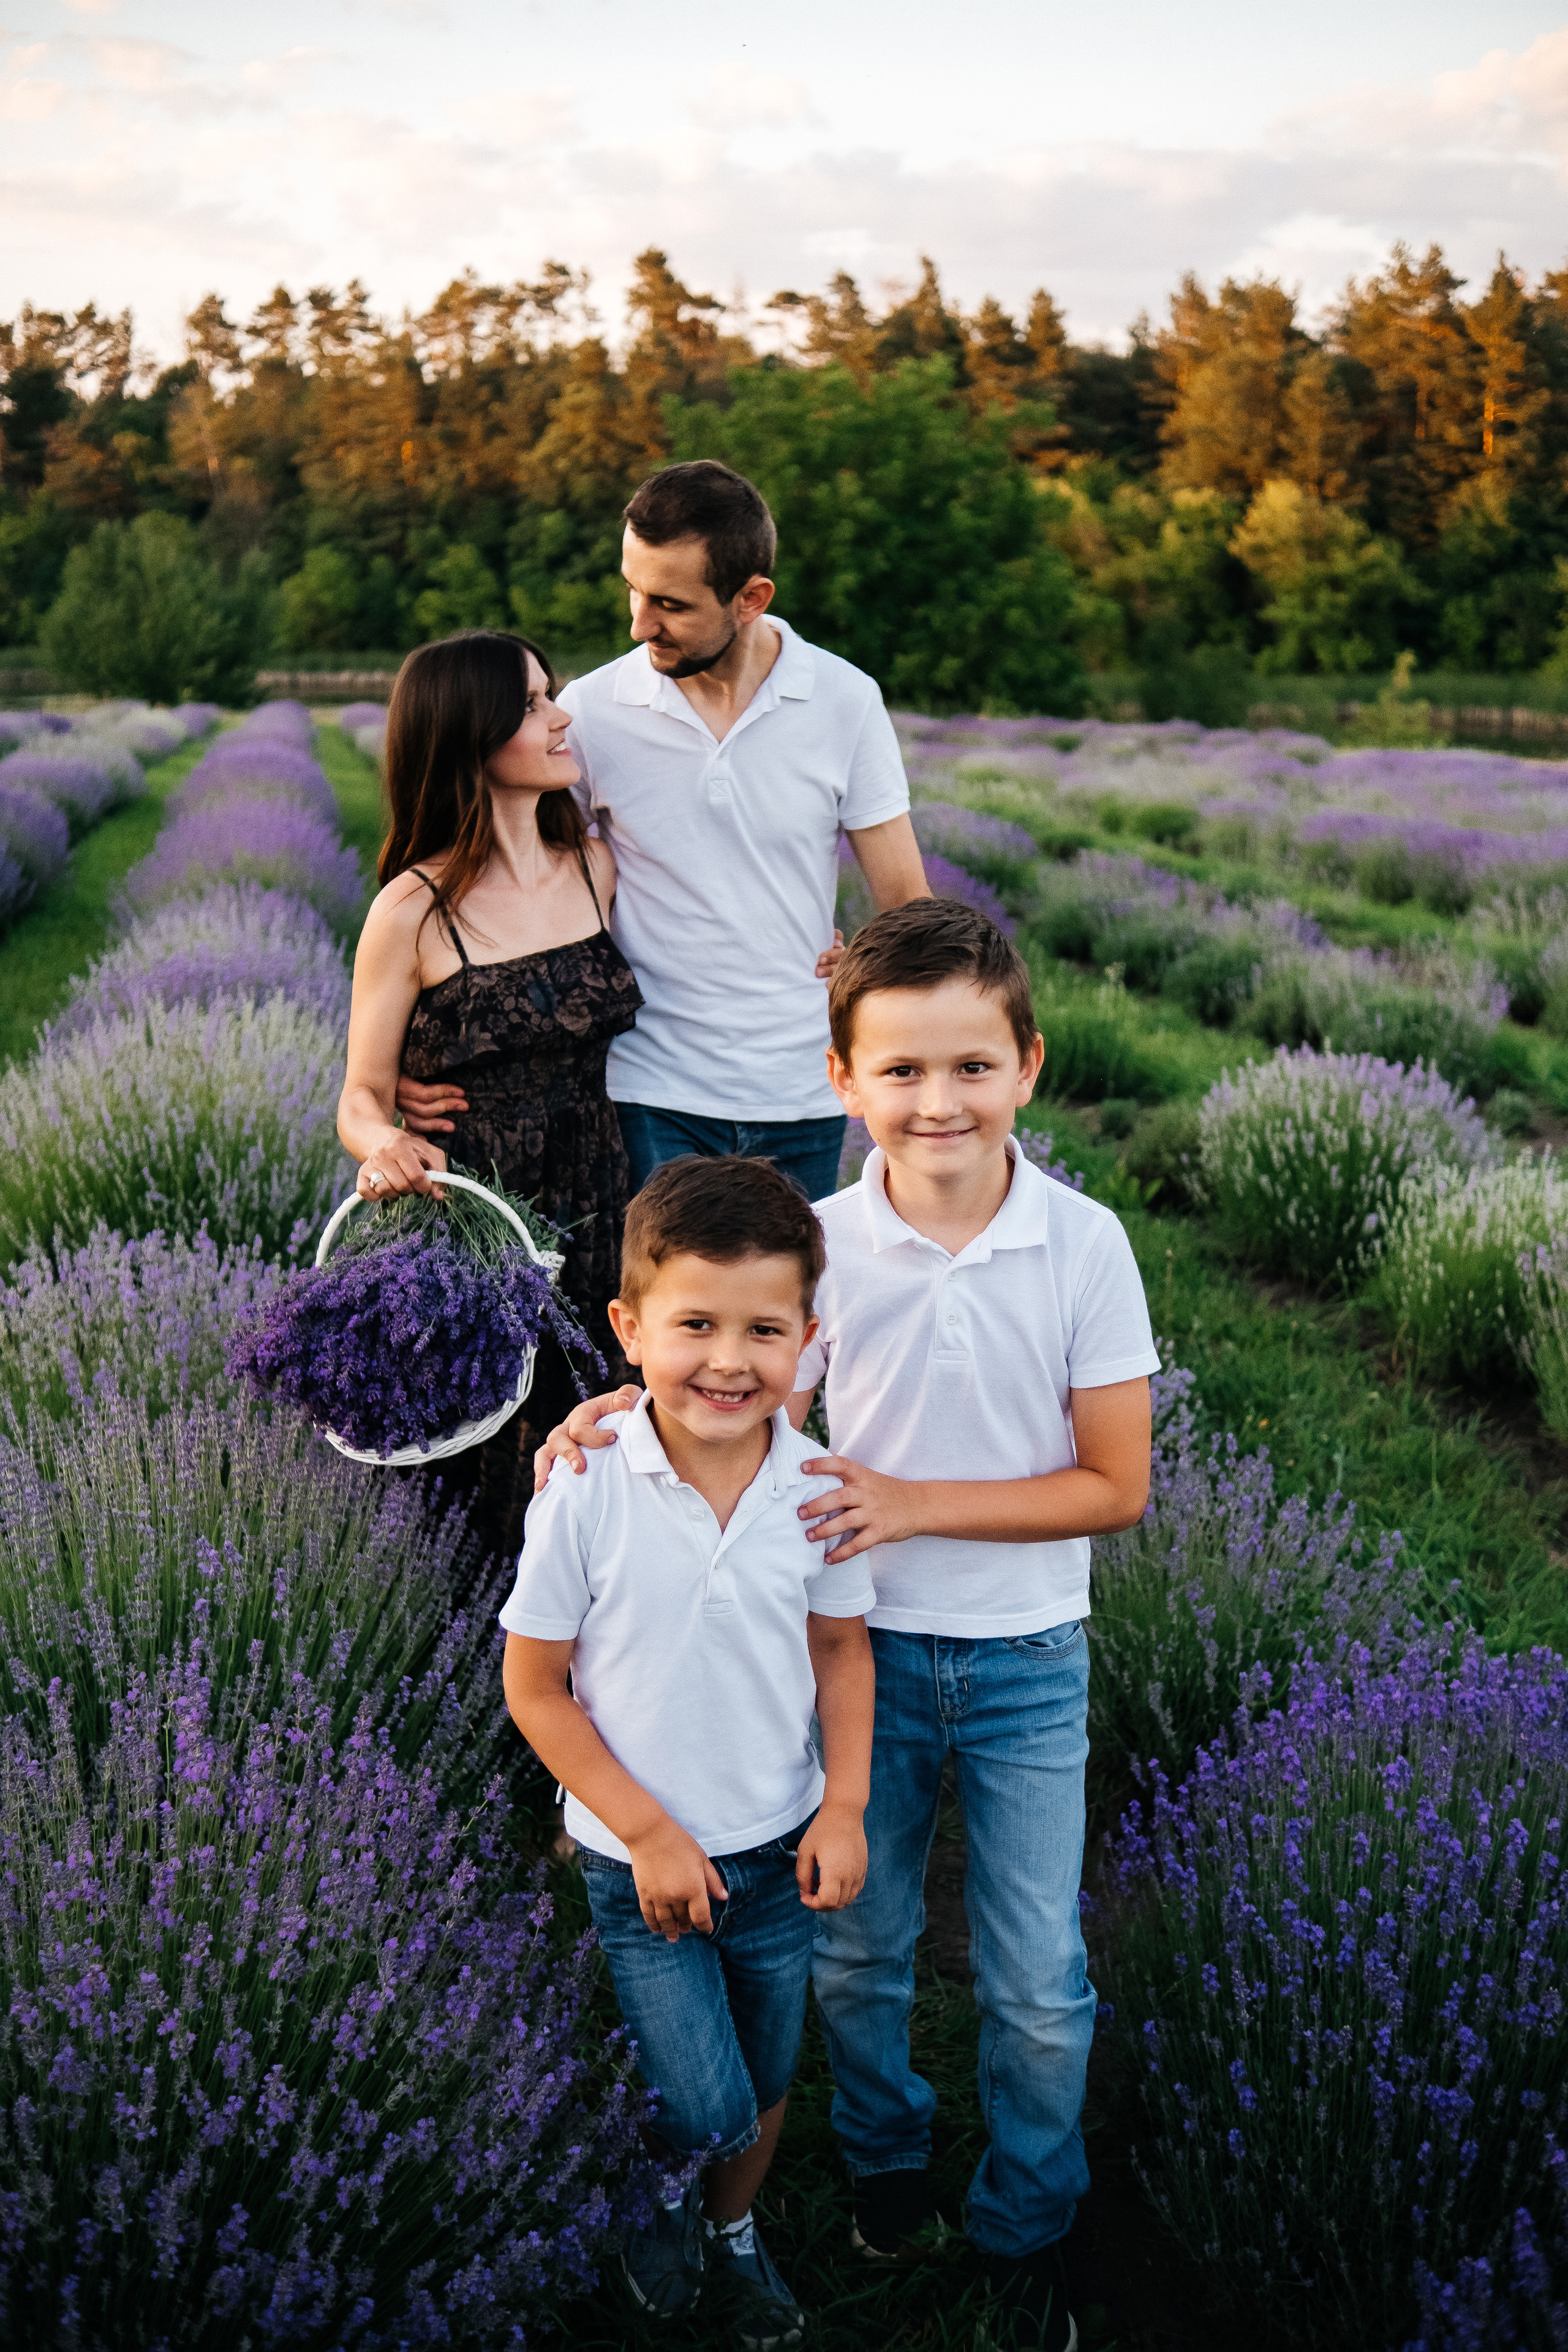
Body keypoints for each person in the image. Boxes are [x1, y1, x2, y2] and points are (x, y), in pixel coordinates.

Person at [537, 898, 1159, 2352]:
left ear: (1027, 1066)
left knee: (1033, 1982)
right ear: (840, 1081)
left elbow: (1113, 1483)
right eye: (899, 1071)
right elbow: (732, 1379)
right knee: (860, 1950)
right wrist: (611, 1408)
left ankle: (1026, 2222)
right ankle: (882, 2165)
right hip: (842, 1656)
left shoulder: (1083, 1243)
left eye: (967, 1067)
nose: (935, 1101)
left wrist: (905, 1499)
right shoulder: (814, 1246)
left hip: (1019, 1660)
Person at [499, 1155, 875, 2348]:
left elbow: (842, 1655)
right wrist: (650, 1832)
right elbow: (535, 1685)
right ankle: (660, 2191)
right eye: (694, 1324)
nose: (728, 1359)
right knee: (706, 2097)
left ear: (808, 1340)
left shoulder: (817, 1490)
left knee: (762, 2080)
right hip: (634, 1863)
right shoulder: (588, 1484)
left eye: (764, 1330)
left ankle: (729, 2230)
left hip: (774, 1846)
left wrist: (845, 1805)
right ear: (627, 1327)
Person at [395, 459, 930, 1205]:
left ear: (751, 599)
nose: (639, 623)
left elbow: (907, 902)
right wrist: (413, 1051)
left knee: (781, 1313)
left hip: (803, 1087)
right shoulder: (597, 709)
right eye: (632, 590)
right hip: (645, 1086)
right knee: (664, 1316)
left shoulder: (844, 700)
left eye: (670, 604)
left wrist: (870, 966)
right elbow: (500, 872)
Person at [337, 628, 643, 1561]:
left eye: (553, 695)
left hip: (601, 1208)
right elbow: (359, 1095)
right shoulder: (411, 912)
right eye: (533, 705)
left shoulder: (597, 866)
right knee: (481, 1463)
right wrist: (385, 1143)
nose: (561, 718)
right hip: (484, 1223)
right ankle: (480, 1674)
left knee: (598, 1447)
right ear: (471, 736)